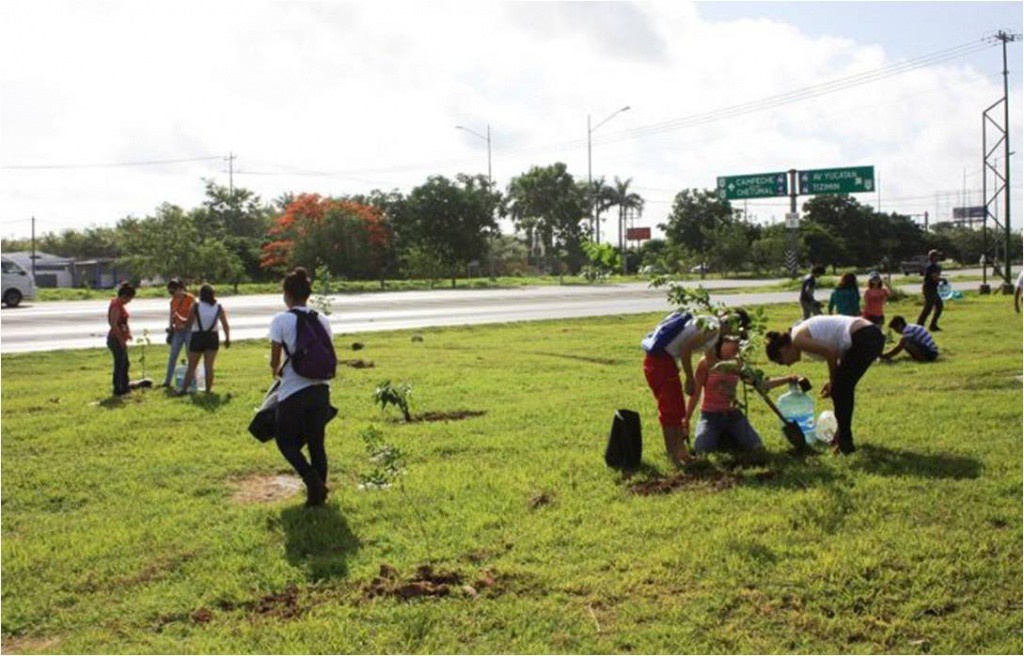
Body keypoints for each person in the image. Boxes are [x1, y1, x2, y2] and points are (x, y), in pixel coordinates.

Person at [641, 309, 749, 465]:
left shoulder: (714, 330)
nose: (738, 337)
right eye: (740, 332)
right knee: (671, 410)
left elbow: (712, 363)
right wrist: (690, 379)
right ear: (735, 326)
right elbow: (685, 349)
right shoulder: (712, 328)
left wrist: (738, 370)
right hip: (660, 362)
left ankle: (681, 453)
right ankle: (673, 456)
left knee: (677, 409)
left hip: (666, 362)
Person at [764, 314, 884, 455]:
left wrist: (834, 381)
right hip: (869, 336)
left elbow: (830, 352)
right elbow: (840, 355)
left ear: (783, 350)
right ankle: (842, 437)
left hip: (865, 336)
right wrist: (835, 380)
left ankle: (844, 442)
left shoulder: (797, 339)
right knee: (842, 390)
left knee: (840, 390)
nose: (787, 365)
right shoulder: (799, 335)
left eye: (782, 361)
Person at [269, 268, 334, 506]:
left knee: (285, 442)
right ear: (307, 294)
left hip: (293, 392)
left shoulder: (280, 320)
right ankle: (318, 499)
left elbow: (275, 362)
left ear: (287, 295)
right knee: (317, 443)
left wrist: (276, 373)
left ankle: (311, 480)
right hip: (321, 389)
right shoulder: (322, 319)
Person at [684, 335, 799, 460]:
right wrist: (687, 418)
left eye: (741, 342)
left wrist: (789, 378)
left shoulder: (739, 364)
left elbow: (761, 385)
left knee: (757, 446)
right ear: (723, 342)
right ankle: (723, 437)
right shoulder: (706, 362)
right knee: (702, 450)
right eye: (735, 341)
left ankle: (727, 437)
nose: (738, 345)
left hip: (733, 415)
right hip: (710, 416)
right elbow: (695, 393)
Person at [178, 284, 230, 394]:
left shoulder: (196, 306)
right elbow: (225, 325)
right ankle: (208, 390)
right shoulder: (218, 307)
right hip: (212, 337)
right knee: (209, 366)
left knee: (192, 366)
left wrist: (178, 319)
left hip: (198, 336)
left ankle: (183, 389)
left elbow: (188, 323)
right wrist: (227, 339)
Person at [161, 278, 195, 388]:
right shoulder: (172, 301)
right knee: (173, 356)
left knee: (190, 356)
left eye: (174, 290)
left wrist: (185, 325)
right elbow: (171, 315)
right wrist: (171, 328)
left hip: (189, 330)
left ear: (181, 288)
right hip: (177, 331)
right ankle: (167, 381)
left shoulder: (190, 298)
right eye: (171, 292)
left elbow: (193, 315)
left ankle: (192, 380)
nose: (173, 293)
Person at [106, 282, 136, 397]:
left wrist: (127, 334)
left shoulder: (120, 305)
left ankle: (124, 386)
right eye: (129, 299)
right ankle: (118, 389)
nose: (129, 301)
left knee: (125, 364)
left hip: (120, 338)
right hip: (115, 339)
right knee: (120, 365)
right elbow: (114, 324)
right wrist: (121, 340)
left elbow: (122, 323)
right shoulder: (116, 305)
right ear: (124, 296)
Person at [917, 249, 944, 331]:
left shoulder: (934, 266)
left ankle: (933, 325)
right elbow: (934, 277)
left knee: (939, 306)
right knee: (928, 308)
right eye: (937, 256)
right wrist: (943, 279)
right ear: (933, 257)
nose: (939, 257)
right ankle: (919, 326)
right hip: (929, 289)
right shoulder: (932, 266)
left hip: (933, 289)